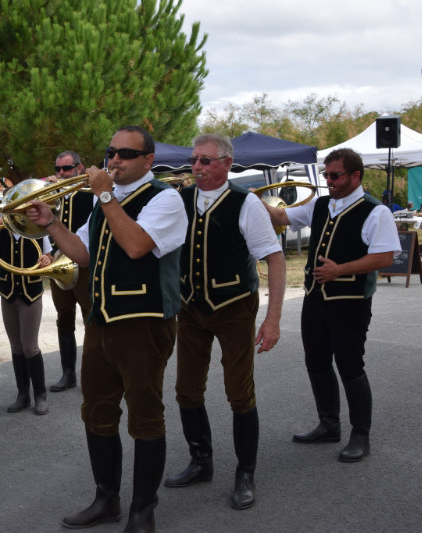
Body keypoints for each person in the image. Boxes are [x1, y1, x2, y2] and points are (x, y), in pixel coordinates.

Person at [26, 126, 188, 531]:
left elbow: (135, 245)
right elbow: (81, 254)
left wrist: (103, 195)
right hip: (102, 323)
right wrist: (50, 223)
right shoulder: (105, 203)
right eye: (110, 152)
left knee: (145, 416)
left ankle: (143, 510)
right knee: (96, 412)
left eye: (125, 154)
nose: (114, 160)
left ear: (148, 160)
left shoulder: (165, 199)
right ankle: (106, 499)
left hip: (145, 324)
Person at [164, 133, 286, 511]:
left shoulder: (246, 203)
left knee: (239, 391)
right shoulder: (179, 200)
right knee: (186, 389)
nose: (196, 167)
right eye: (194, 160)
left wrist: (273, 319)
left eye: (205, 161)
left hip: (235, 306)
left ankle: (245, 473)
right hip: (190, 308)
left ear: (227, 164)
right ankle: (201, 461)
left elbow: (275, 258)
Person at [263, 148, 400, 463]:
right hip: (315, 298)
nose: (328, 181)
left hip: (350, 302)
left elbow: (385, 257)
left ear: (355, 176)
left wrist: (340, 269)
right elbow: (281, 217)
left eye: (335, 175)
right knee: (316, 362)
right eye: (326, 175)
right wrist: (253, 200)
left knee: (351, 366)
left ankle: (360, 435)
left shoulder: (375, 211)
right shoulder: (321, 204)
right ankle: (328, 424)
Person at [0, 217, 53, 416]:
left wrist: (47, 259)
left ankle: (40, 395)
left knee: (30, 346)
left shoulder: (36, 228)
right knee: (16, 345)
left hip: (31, 294)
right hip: (8, 293)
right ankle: (23, 394)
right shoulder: (0, 230)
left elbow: (48, 256)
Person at [41, 151, 92, 392]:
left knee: (91, 318)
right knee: (64, 320)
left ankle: (96, 371)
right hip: (59, 265)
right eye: (58, 168)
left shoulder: (90, 194)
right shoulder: (52, 195)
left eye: (67, 168)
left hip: (84, 266)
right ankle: (68, 373)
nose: (61, 173)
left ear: (79, 169)